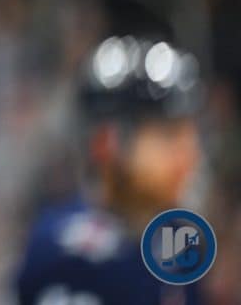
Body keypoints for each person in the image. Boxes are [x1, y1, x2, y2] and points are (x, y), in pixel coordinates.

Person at [15, 36, 206, 305]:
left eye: (190, 136)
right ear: (107, 142)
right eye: (169, 136)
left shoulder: (176, 243)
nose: (188, 155)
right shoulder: (66, 251)